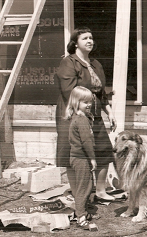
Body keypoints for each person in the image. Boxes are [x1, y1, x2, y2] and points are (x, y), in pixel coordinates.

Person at [55, 27, 117, 202]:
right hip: (72, 115)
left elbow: (102, 93)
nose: (90, 41)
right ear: (75, 43)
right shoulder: (68, 63)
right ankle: (78, 193)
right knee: (74, 154)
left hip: (94, 113)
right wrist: (83, 113)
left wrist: (109, 113)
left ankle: (101, 191)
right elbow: (70, 91)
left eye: (91, 38)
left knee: (103, 151)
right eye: (85, 38)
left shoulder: (95, 64)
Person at [66, 86, 98, 229]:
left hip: (77, 157)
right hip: (82, 158)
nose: (89, 104)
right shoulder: (82, 120)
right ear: (75, 102)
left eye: (90, 101)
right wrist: (92, 158)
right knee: (84, 188)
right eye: (85, 102)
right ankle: (81, 217)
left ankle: (82, 212)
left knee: (86, 186)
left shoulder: (77, 117)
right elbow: (86, 142)